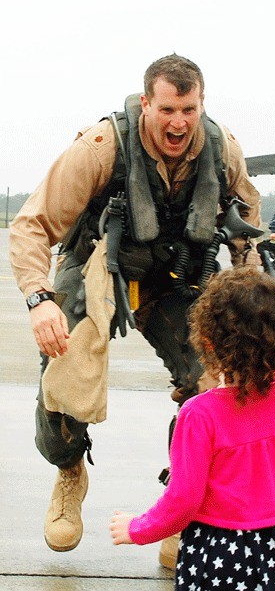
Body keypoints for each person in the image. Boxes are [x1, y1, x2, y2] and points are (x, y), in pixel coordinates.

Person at [8, 54, 262, 557]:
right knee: (64, 369)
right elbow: (31, 225)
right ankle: (68, 470)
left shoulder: (222, 148)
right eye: (167, 108)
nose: (179, 122)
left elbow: (248, 235)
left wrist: (254, 310)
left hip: (174, 277)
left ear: (201, 103)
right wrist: (40, 299)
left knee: (213, 376)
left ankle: (181, 502)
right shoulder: (102, 148)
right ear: (146, 102)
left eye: (189, 109)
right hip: (99, 268)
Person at [109, 266, 275, 591]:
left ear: (208, 342)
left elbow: (183, 499)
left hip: (219, 550)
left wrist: (138, 528)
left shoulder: (200, 414)